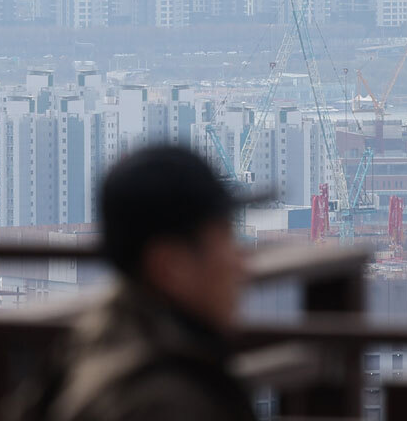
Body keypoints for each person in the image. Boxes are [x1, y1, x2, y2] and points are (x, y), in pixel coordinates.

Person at [22, 145, 255, 421]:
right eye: (226, 239)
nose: (241, 265)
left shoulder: (92, 341)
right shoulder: (169, 402)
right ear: (170, 266)